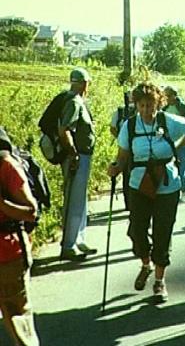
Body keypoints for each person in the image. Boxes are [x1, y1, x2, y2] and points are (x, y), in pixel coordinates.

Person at [108, 81, 185, 303]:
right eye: (142, 105)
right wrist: (115, 168)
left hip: (168, 184)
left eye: (150, 105)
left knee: (162, 231)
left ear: (159, 103)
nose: (146, 110)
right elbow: (122, 157)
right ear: (136, 105)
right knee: (137, 229)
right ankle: (145, 264)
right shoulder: (129, 127)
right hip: (139, 183)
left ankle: (159, 281)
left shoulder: (168, 121)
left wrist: (178, 146)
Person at [0, 127, 40, 346]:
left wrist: (1, 204)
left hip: (8, 252)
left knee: (17, 316)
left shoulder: (6, 165)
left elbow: (30, 211)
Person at [58, 67, 97, 261]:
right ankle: (69, 245)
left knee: (80, 200)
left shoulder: (76, 101)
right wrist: (73, 154)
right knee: (74, 200)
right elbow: (64, 130)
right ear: (84, 83)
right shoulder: (74, 102)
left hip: (82, 156)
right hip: (77, 157)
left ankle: (79, 239)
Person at [163, 85, 185, 202]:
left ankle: (183, 188)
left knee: (182, 166)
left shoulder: (183, 108)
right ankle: (173, 190)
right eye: (166, 96)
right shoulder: (164, 109)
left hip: (182, 141)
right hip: (169, 142)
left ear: (175, 95)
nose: (168, 98)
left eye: (169, 95)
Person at [110, 91, 137, 210]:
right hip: (128, 149)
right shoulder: (120, 111)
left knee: (129, 174)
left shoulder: (138, 109)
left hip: (133, 148)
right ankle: (130, 203)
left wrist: (121, 139)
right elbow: (113, 128)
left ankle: (132, 203)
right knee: (128, 174)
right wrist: (122, 139)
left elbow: (112, 128)